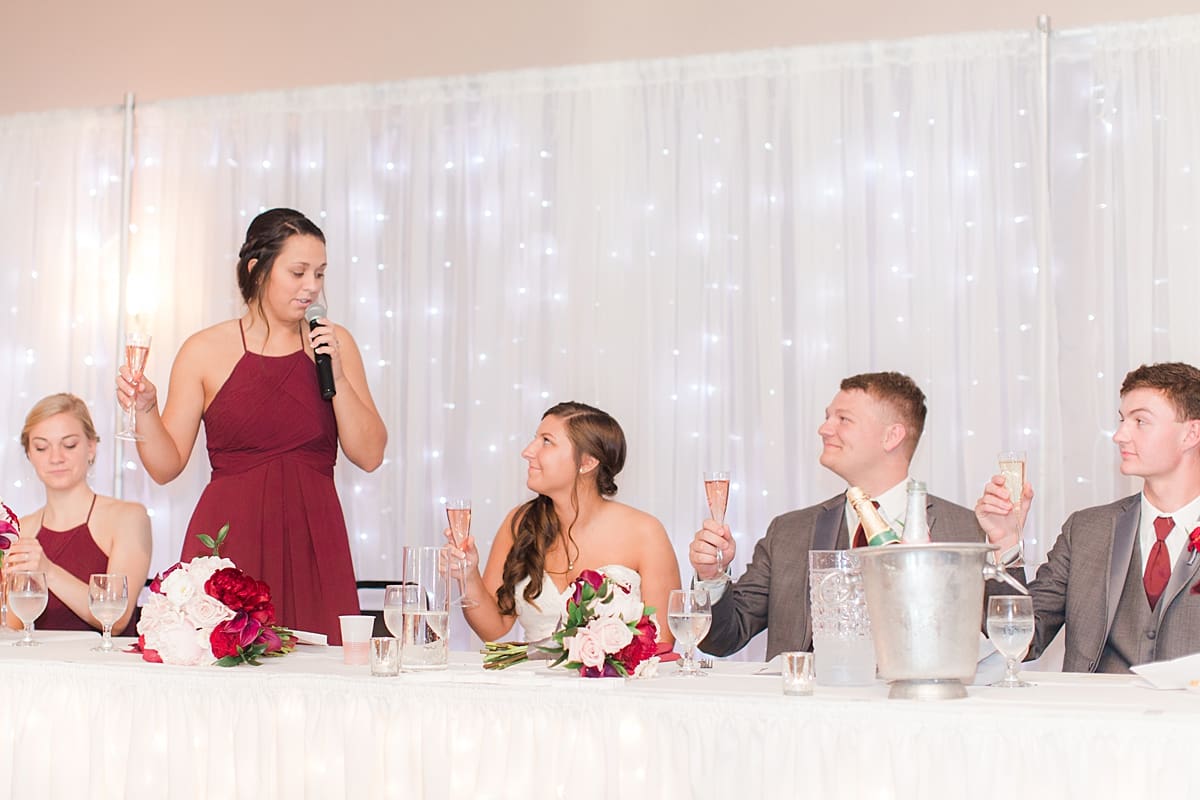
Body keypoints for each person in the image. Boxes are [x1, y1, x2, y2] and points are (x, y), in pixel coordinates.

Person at [116, 208, 386, 643]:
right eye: (298, 272)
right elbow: (166, 467)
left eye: (319, 273)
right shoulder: (203, 350)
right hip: (229, 541)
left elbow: (370, 454)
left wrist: (335, 371)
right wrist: (146, 408)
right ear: (257, 270)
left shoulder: (335, 345)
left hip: (315, 541)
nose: (312, 287)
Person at [690, 371, 983, 660]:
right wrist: (712, 577)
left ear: (891, 436)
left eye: (843, 419)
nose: (824, 428)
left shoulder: (966, 531)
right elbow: (721, 639)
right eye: (828, 417)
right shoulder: (789, 532)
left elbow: (1010, 637)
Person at [976, 362, 1200, 672]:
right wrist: (1005, 543)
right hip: (1092, 717)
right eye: (1122, 420)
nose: (1120, 435)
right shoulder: (1085, 531)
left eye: (1140, 421)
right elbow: (1020, 642)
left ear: (1191, 433)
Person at [447, 402, 681, 645]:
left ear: (587, 462)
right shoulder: (519, 523)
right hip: (529, 680)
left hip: (612, 683)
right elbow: (493, 629)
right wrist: (468, 575)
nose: (527, 451)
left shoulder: (645, 533)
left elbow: (661, 643)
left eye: (546, 441)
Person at [4, 393, 151, 633]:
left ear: (91, 447)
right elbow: (13, 627)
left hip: (106, 668)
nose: (56, 458)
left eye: (69, 444)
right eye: (42, 447)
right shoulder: (20, 530)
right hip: (36, 668)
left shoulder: (128, 518)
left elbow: (117, 619)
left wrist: (48, 571)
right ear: (29, 454)